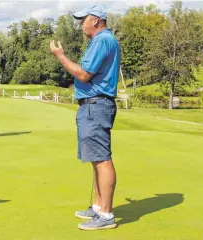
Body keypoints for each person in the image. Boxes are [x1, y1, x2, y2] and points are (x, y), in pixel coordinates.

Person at [49, 5, 120, 230]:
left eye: (83, 20)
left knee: (102, 159)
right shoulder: (103, 40)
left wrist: (60, 56)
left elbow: (83, 74)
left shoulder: (101, 41)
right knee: (96, 159)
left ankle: (106, 216)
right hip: (94, 105)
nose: (81, 24)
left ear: (96, 20)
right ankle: (99, 207)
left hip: (96, 105)